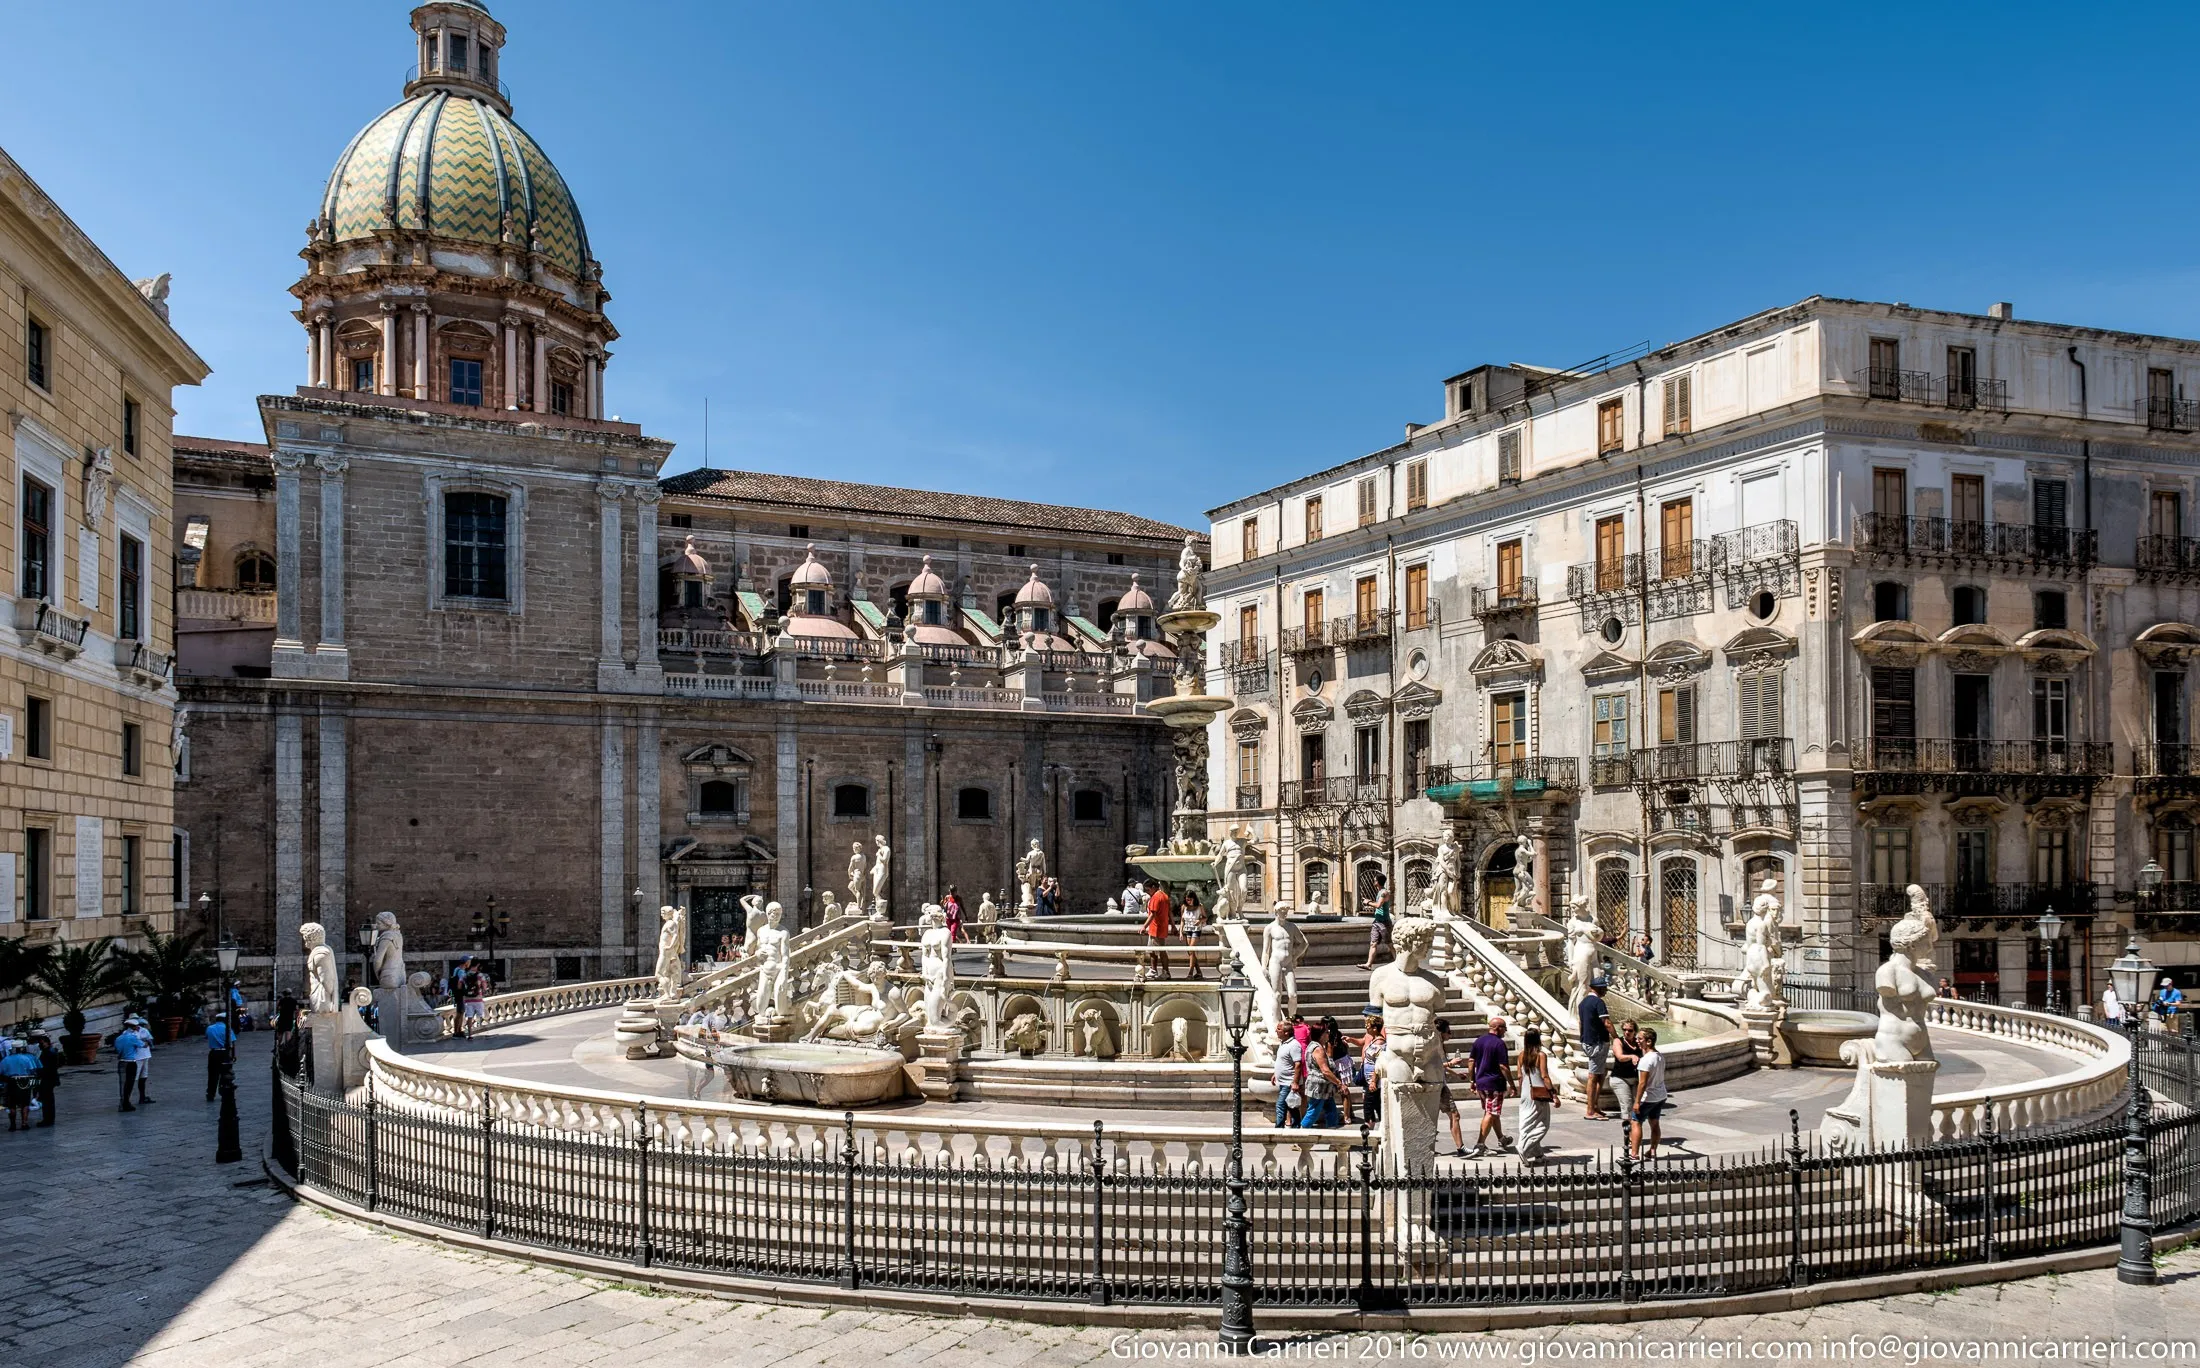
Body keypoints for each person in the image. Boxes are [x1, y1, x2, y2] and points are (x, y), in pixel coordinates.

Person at [1465, 1017, 1513, 1156]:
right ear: (1498, 1027)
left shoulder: (1479, 1041)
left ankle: (1501, 1138)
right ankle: (1480, 1145)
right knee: (1491, 1113)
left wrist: (1472, 1080)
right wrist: (1512, 1084)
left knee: (1491, 1112)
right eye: (1504, 1027)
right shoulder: (1499, 1044)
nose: (1505, 1031)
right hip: (1494, 1083)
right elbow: (1503, 1066)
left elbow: (1471, 1061)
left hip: (1481, 1083)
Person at [1299, 1019, 1349, 1129]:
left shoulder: (1316, 1046)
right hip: (1319, 1086)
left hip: (1325, 1087)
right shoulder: (1318, 1049)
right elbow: (1325, 1070)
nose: (1328, 1033)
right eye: (1326, 1032)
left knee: (1331, 1110)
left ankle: (1333, 1134)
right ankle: (1301, 1136)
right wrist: (1339, 1083)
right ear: (1321, 1035)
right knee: (1314, 1111)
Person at [1516, 1027, 1555, 1164]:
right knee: (1542, 1124)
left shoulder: (1521, 1055)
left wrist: (1521, 1092)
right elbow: (1544, 1076)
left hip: (1526, 1094)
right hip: (1539, 1094)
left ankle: (1538, 1155)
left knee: (1528, 1122)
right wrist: (1553, 1094)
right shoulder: (1541, 1055)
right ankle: (1523, 1148)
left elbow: (1520, 1076)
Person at [1577, 976, 1613, 1119]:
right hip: (1597, 1042)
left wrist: (1582, 1038)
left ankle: (1595, 1106)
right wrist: (1617, 1038)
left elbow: (1581, 1023)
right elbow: (1607, 1023)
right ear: (1597, 988)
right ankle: (1590, 1110)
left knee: (1600, 1074)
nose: (1606, 990)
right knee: (1594, 1076)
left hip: (1588, 1041)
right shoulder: (1598, 1002)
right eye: (1604, 987)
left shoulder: (1583, 1003)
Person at [1632, 1027, 1668, 1161]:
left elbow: (1642, 1083)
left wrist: (1637, 1101)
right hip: (1660, 1095)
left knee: (1636, 1122)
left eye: (1640, 1039)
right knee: (1654, 1123)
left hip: (1648, 1097)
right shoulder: (1659, 1056)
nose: (1637, 1041)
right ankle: (1652, 1151)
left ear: (1648, 1042)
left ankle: (1634, 1154)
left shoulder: (1646, 1060)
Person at [1434, 1020, 1468, 1156]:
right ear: (1441, 1033)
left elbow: (1442, 1065)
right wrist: (1451, 1063)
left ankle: (1460, 1147)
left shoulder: (1439, 1045)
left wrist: (1457, 1074)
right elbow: (1433, 1065)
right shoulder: (1435, 1046)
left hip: (1439, 1084)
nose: (1450, 1035)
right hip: (1437, 1085)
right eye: (1448, 1032)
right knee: (1454, 1115)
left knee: (1453, 1115)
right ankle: (1460, 1148)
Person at [1270, 1020, 1304, 1128]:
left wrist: (1295, 1082)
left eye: (1279, 1029)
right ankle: (1296, 1126)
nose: (1276, 1031)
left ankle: (1278, 1128)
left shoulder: (1294, 1045)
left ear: (1286, 1032)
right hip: (1283, 1081)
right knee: (1291, 1106)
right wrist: (1276, 1074)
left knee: (1280, 1105)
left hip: (1289, 1082)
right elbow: (1283, 1061)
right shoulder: (1283, 1043)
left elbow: (1298, 1064)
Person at [1609, 1018, 1644, 1124]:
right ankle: (1628, 1133)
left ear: (1635, 1031)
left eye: (1630, 1030)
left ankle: (1636, 1130)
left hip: (1635, 1079)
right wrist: (1632, 1056)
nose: (1627, 1032)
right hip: (1620, 1078)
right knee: (1627, 1105)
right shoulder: (1618, 1041)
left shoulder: (1638, 1043)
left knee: (1638, 1105)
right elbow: (1619, 1057)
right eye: (1624, 1029)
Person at [1360, 874, 1394, 972]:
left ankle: (1399, 962)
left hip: (1384, 922)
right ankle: (1368, 964)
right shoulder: (1380, 892)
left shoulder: (1384, 893)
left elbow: (1378, 905)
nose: (1373, 882)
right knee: (1373, 943)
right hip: (1377, 922)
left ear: (1378, 882)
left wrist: (1367, 902)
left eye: (1374, 880)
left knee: (1390, 944)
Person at [1143, 881, 1175, 980]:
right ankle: (1153, 970)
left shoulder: (1156, 897)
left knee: (1161, 951)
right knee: (1152, 951)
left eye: (1148, 890)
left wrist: (1144, 926)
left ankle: (1166, 972)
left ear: (1153, 887)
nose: (1148, 892)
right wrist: (1173, 926)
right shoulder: (1164, 896)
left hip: (1156, 928)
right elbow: (1170, 913)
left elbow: (1153, 914)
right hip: (1160, 927)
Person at [114, 1018, 148, 1112]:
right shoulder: (132, 1038)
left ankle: (122, 1103)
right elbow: (143, 1045)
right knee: (129, 1084)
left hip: (121, 1062)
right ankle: (127, 1103)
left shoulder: (118, 1038)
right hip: (131, 1062)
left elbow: (117, 1050)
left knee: (122, 1083)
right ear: (133, 1027)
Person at [1358, 1013, 1386, 1125]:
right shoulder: (1373, 1040)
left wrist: (1373, 1081)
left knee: (1368, 1108)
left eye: (1368, 1026)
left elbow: (1379, 1063)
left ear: (1375, 1028)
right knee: (1376, 1106)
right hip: (1369, 1080)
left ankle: (1369, 1133)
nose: (1366, 1028)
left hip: (1373, 1082)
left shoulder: (1379, 1043)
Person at [2, 1042, 36, 1130]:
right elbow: (32, 1071)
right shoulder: (26, 1058)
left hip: (11, 1082)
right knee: (25, 1103)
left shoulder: (6, 1059)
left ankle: (12, 1124)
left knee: (12, 1104)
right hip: (24, 1082)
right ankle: (24, 1123)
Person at [205, 1013, 237, 1102]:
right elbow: (232, 1044)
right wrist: (233, 1055)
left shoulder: (209, 1028)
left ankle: (211, 1093)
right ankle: (224, 1091)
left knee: (212, 1074)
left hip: (213, 1053)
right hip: (224, 1053)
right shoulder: (228, 1029)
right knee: (225, 1073)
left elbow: (207, 1037)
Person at [32, 1033, 59, 1127]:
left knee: (47, 1100)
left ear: (47, 1043)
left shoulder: (48, 1053)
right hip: (49, 1079)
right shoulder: (49, 1051)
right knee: (48, 1100)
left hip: (47, 1079)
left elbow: (47, 1068)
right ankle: (48, 1119)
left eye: (42, 1043)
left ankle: (48, 1119)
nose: (40, 1045)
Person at [129, 1015, 155, 1105]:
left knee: (143, 1077)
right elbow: (137, 1043)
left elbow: (150, 1040)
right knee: (133, 1079)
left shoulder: (144, 1030)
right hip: (136, 1058)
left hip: (145, 1055)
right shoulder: (128, 1033)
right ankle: (127, 1099)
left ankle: (142, 1097)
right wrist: (143, 1042)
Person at [1180, 890, 1206, 978]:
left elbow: (1205, 917)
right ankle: (1199, 972)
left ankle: (1190, 972)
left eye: (1190, 899)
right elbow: (1182, 920)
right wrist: (1180, 932)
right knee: (1190, 952)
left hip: (1196, 930)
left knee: (1191, 949)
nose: (1189, 902)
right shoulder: (1184, 907)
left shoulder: (1199, 906)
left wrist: (1199, 921)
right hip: (1188, 929)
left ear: (1194, 899)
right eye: (1187, 900)